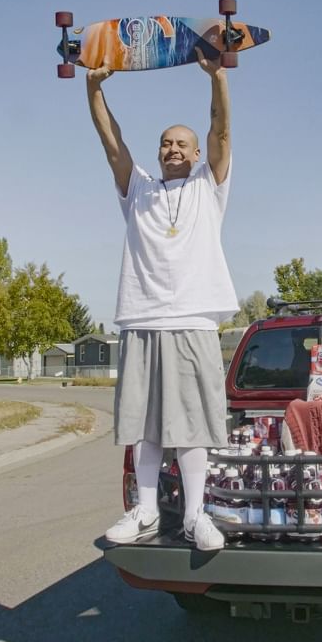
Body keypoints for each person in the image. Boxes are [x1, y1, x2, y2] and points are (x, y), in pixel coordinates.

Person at [88, 49, 239, 551]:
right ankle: (146, 510)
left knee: (191, 425)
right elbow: (113, 145)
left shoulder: (208, 187)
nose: (174, 148)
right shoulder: (139, 190)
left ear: (195, 155)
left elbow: (221, 131)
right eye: (166, 143)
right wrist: (94, 89)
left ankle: (196, 515)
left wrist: (216, 77)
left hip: (195, 318)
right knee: (146, 425)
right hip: (143, 317)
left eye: (182, 143)